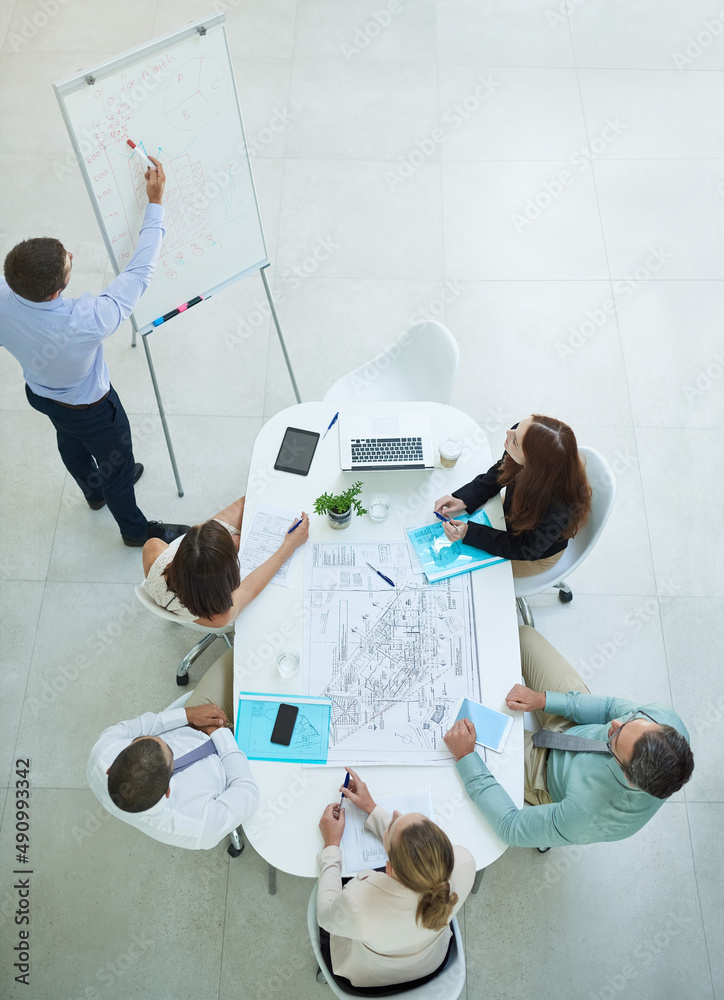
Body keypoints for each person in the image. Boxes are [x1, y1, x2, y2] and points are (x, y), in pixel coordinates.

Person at [0, 156, 188, 547]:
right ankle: (136, 531)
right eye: (69, 260)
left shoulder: (5, 296)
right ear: (56, 290)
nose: (73, 257)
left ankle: (94, 492)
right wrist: (155, 203)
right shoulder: (86, 321)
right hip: (93, 411)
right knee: (116, 465)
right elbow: (140, 273)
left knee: (68, 440)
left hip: (41, 395)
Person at [443, 625, 694, 849]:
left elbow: (510, 826)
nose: (614, 725)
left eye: (615, 739)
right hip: (578, 724)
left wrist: (466, 757)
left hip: (544, 772)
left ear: (628, 777)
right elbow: (608, 710)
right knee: (523, 636)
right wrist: (544, 699)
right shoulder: (664, 720)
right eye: (631, 721)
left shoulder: (592, 817)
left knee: (456, 732)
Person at [316, 767, 475, 994]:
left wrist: (331, 845)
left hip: (372, 981)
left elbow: (324, 915)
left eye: (393, 822)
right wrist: (371, 809)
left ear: (388, 868)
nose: (396, 812)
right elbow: (415, 848)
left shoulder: (357, 901)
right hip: (432, 964)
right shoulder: (464, 863)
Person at [87, 647, 258, 849]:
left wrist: (187, 716)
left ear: (111, 767)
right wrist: (220, 734)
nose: (165, 740)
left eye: (153, 739)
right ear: (168, 791)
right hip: (236, 764)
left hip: (195, 724)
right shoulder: (199, 826)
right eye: (171, 750)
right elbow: (247, 792)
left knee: (247, 651)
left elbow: (141, 725)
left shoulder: (104, 752)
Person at [434, 414, 592, 577]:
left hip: (531, 554)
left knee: (476, 575)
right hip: (514, 516)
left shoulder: (558, 510)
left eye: (515, 440)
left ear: (532, 466)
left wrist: (470, 533)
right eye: (516, 429)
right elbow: (502, 470)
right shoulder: (522, 436)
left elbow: (526, 549)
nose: (508, 432)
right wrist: (465, 498)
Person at [142, 496, 309, 627]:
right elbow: (248, 589)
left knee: (250, 501)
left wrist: (220, 544)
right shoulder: (219, 617)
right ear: (226, 581)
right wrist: (289, 546)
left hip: (188, 583)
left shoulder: (152, 551)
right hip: (207, 592)